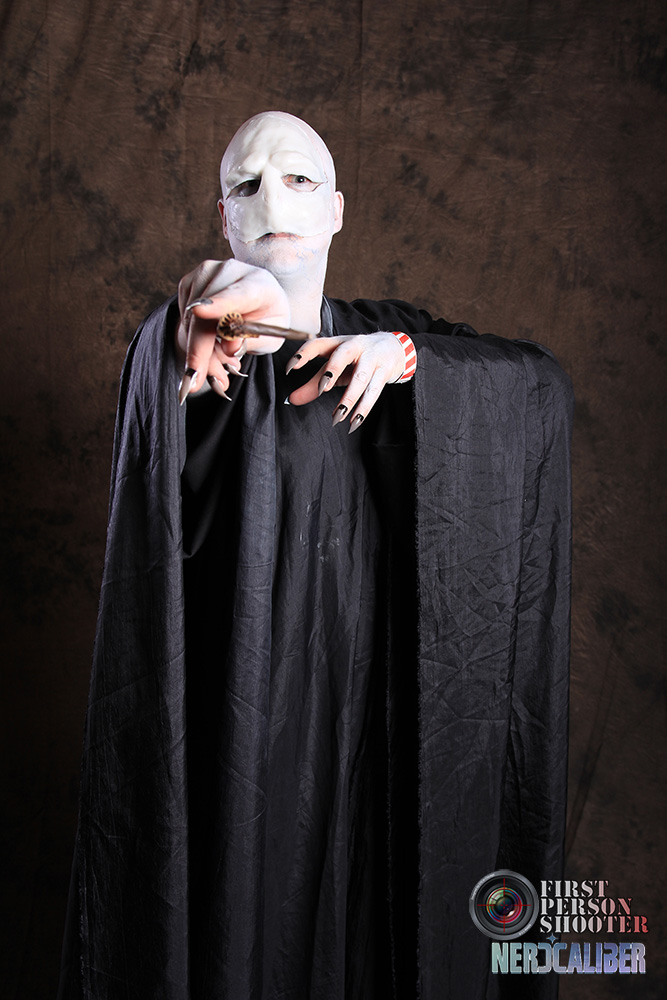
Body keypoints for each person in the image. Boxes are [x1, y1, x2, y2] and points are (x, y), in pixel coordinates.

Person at [59, 112, 573, 1000]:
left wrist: (407, 362)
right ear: (225, 219)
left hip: (386, 727)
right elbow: (182, 335)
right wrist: (201, 313)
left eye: (298, 179)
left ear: (336, 210)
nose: (272, 200)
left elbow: (535, 384)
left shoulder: (393, 332)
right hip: (249, 737)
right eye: (246, 185)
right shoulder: (197, 352)